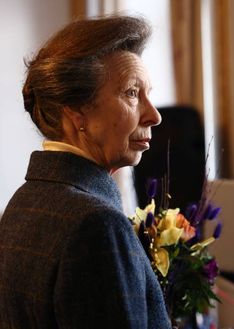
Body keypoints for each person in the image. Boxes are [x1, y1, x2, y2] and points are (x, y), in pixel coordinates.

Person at [0, 15, 172, 329]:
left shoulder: (21, 202)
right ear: (76, 112)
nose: (154, 115)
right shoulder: (97, 225)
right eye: (132, 94)